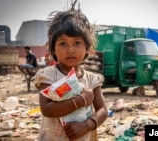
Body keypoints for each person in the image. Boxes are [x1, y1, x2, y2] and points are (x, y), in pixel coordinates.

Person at [34, 3, 108, 141]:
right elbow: (46, 109)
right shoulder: (49, 75)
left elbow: (102, 110)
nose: (70, 50)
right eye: (63, 44)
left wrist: (87, 125)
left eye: (77, 43)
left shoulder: (92, 79)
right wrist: (81, 101)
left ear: (87, 48)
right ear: (53, 49)